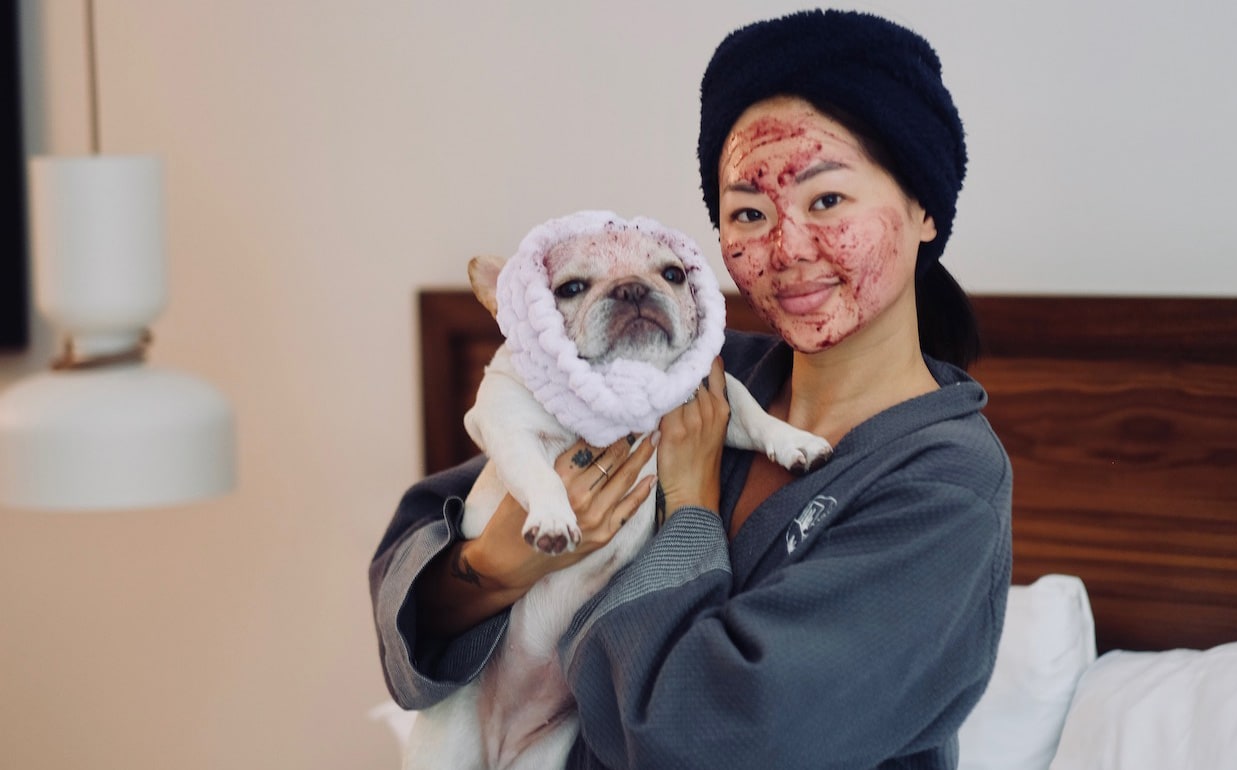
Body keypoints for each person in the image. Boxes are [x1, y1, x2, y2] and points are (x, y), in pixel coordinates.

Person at [371, 9, 1012, 769]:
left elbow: (720, 735)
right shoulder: (686, 367)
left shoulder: (947, 487)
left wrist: (692, 509)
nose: (787, 248)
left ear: (924, 207)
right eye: (749, 213)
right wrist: (489, 570)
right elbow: (434, 544)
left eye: (827, 201)